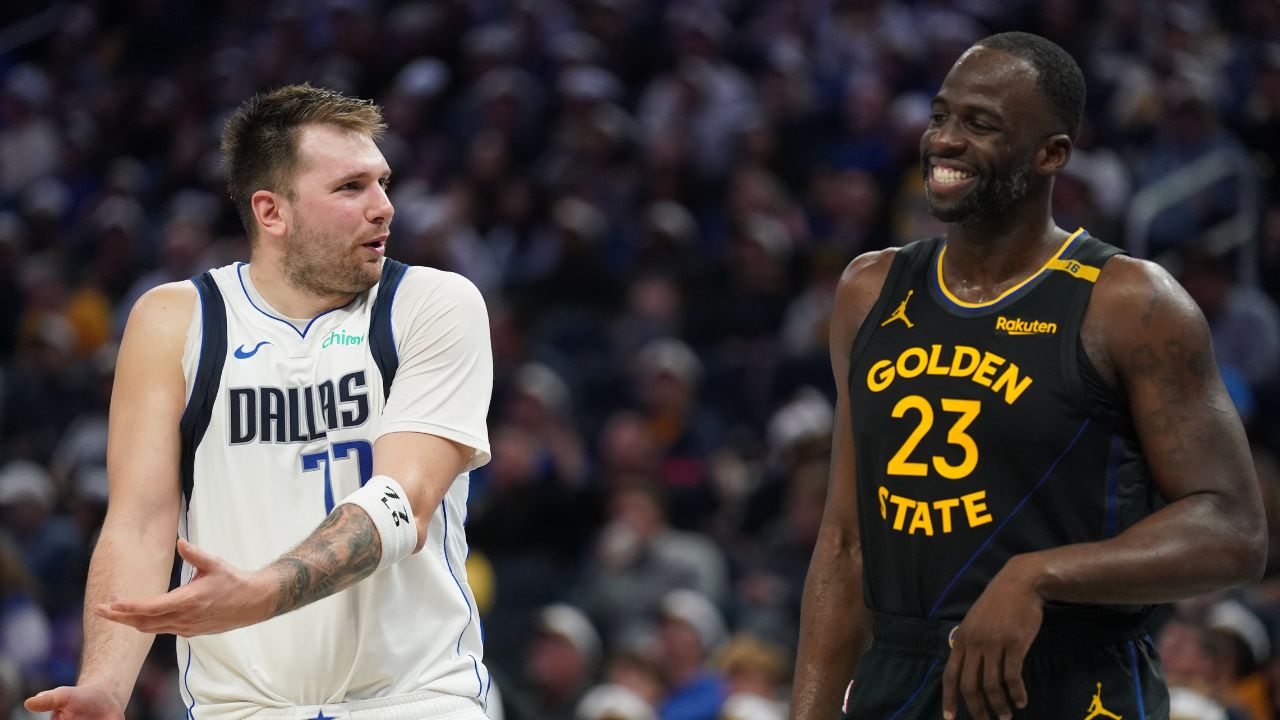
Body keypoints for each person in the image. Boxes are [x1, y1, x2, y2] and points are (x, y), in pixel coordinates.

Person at [789, 32, 1267, 720]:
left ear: (1052, 155)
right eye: (939, 115)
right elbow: (844, 543)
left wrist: (1042, 576)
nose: (944, 141)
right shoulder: (870, 290)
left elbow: (1235, 531)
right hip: (902, 674)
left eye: (979, 124)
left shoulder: (1129, 303)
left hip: (1072, 676)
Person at [25, 83, 495, 719]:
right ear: (271, 212)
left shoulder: (434, 304)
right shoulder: (174, 321)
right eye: (351, 187)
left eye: (382, 182)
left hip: (413, 700)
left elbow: (405, 502)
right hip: (242, 709)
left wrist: (258, 593)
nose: (384, 207)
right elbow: (139, 521)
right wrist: (106, 685)